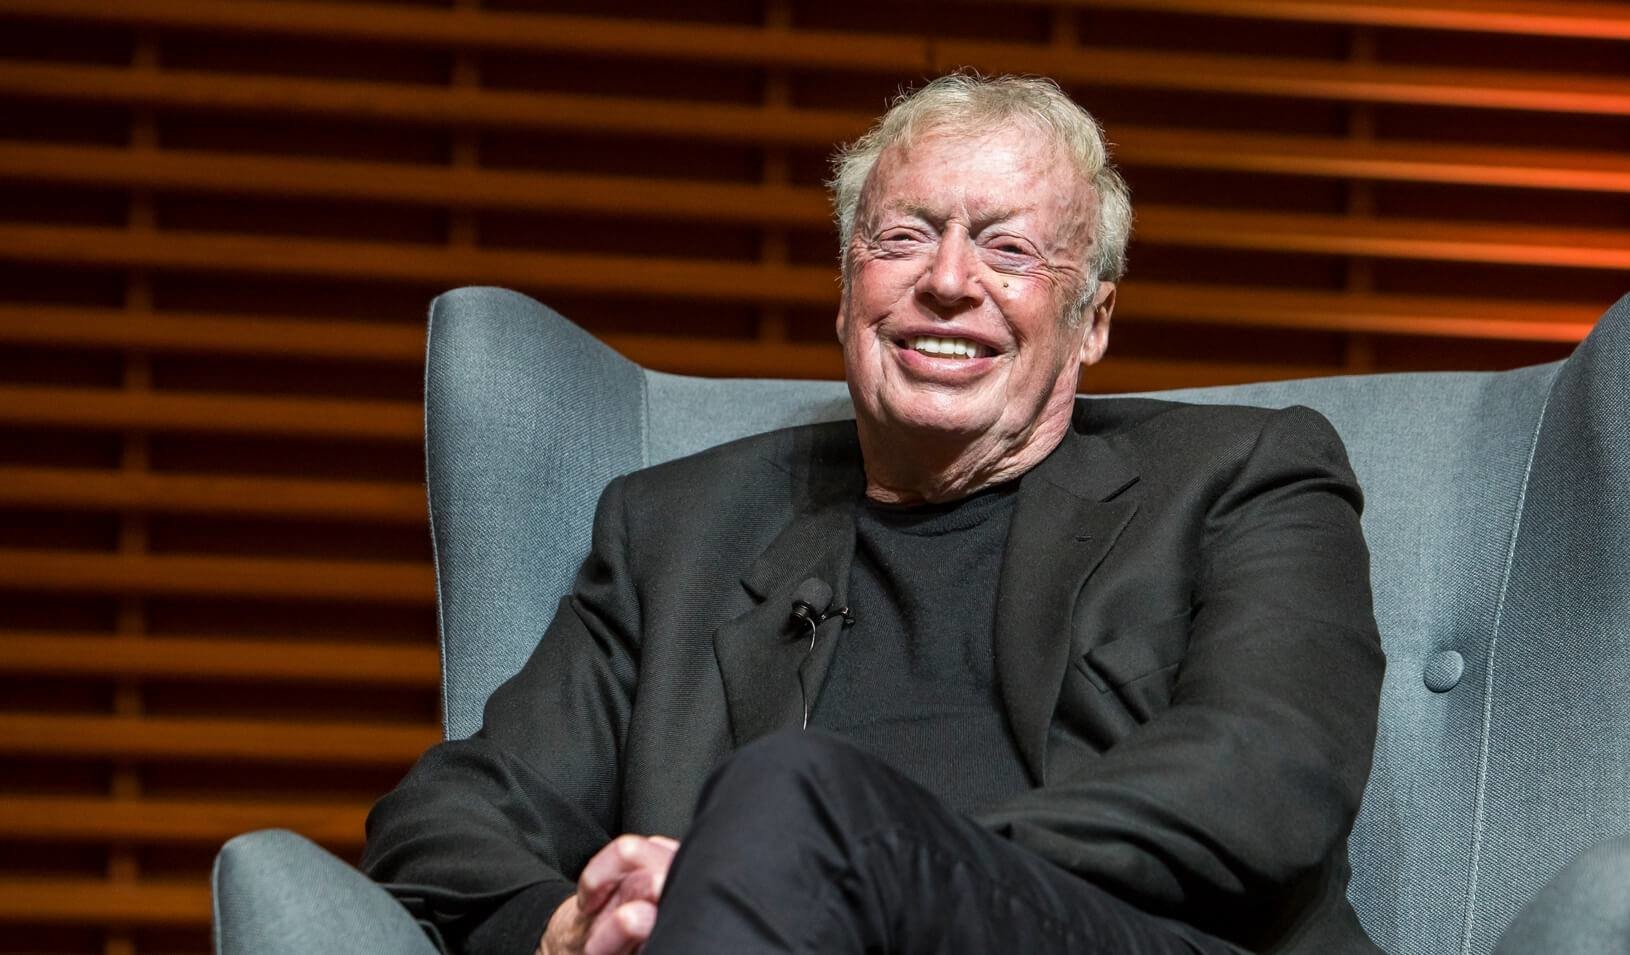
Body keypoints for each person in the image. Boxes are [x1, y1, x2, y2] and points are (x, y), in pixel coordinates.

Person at [362, 72, 1385, 955]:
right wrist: (564, 926)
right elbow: (446, 820)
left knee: (790, 796)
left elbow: (1267, 773)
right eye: (903, 237)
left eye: (1010, 250)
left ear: (1092, 322)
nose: (948, 281)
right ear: (848, 288)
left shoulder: (1241, 477)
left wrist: (843, 869)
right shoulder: (675, 530)